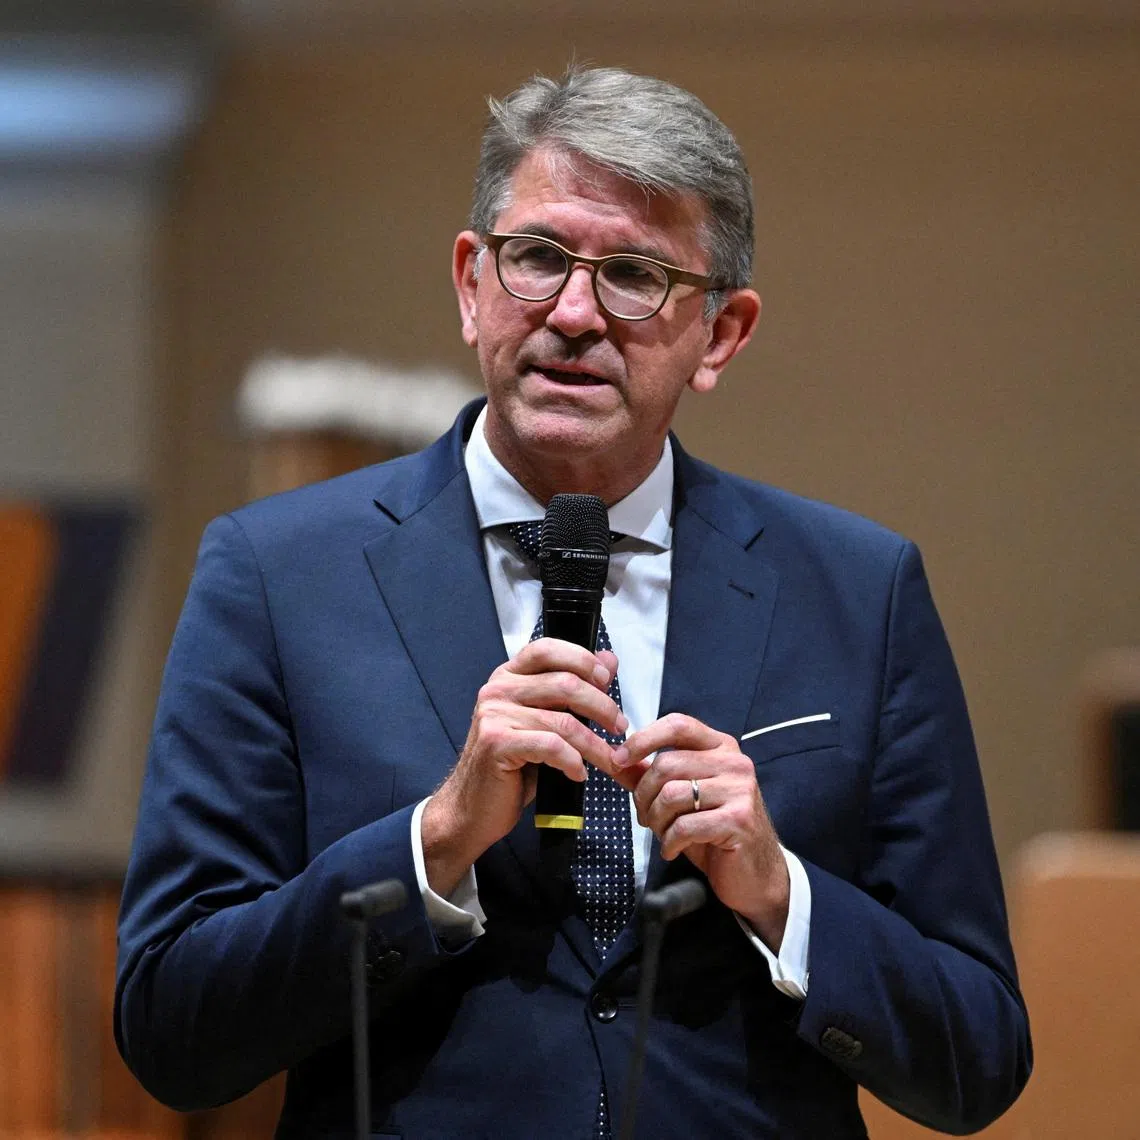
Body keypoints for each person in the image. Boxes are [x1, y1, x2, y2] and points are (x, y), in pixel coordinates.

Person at [115, 66, 1031, 1139]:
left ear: (722, 334)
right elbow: (173, 1028)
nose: (576, 313)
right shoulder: (275, 575)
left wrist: (780, 894)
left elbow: (978, 1059)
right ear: (471, 283)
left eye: (637, 274)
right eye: (538, 258)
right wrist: (434, 843)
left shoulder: (858, 592)